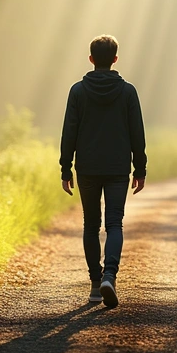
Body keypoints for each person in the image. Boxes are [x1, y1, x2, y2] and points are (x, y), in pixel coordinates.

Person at [59, 34, 147, 308]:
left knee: (90, 225)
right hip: (118, 168)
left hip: (87, 168)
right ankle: (110, 275)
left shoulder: (77, 91)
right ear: (115, 59)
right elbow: (137, 133)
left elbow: (69, 131)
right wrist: (140, 168)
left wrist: (66, 168)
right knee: (114, 224)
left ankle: (96, 285)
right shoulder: (128, 91)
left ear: (91, 59)